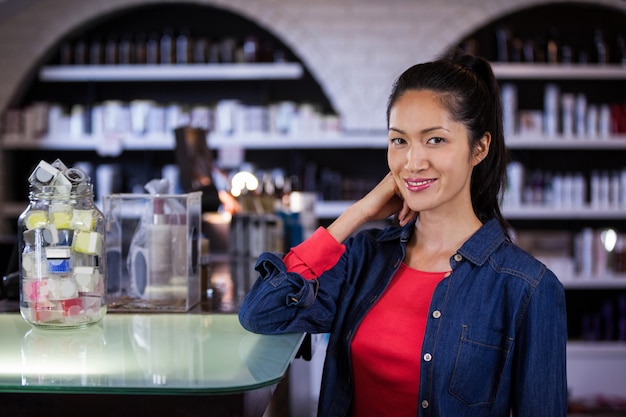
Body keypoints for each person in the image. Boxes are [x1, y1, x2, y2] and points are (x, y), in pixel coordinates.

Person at [238, 50, 568, 417]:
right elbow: (261, 314)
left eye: (435, 140)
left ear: (479, 148)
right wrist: (358, 212)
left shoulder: (528, 288)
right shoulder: (364, 259)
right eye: (399, 140)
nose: (412, 162)